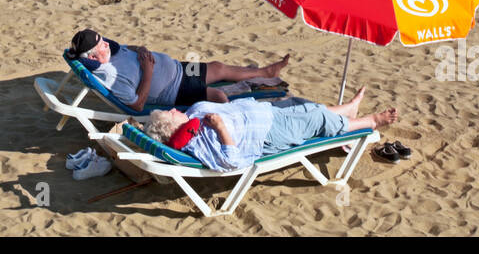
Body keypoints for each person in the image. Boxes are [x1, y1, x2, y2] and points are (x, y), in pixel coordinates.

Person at [144, 88, 396, 171]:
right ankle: (371, 121)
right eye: (171, 113)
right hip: (268, 134)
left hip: (264, 113)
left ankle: (348, 109)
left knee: (306, 106)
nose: (175, 110)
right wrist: (221, 128)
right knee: (318, 119)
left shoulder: (191, 119)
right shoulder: (197, 142)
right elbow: (231, 162)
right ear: (172, 125)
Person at [67, 28, 288, 111]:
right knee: (219, 96)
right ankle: (241, 120)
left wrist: (141, 49)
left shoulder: (110, 51)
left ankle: (266, 73)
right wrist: (148, 71)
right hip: (175, 91)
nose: (107, 43)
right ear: (93, 56)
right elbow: (137, 104)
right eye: (101, 44)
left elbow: (128, 49)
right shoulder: (111, 76)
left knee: (217, 67)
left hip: (178, 69)